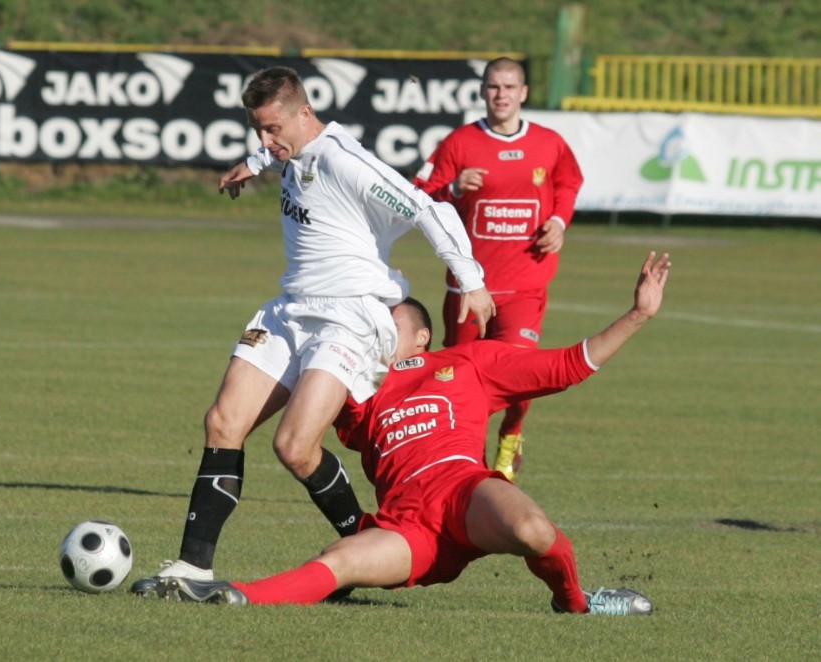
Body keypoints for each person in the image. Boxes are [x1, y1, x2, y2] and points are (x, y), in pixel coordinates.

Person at [131, 66, 494, 595]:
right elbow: (279, 153)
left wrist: (472, 282)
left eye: (273, 129)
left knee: (296, 446)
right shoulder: (288, 149)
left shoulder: (346, 161)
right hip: (291, 310)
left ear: (306, 113)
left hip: (349, 318)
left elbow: (426, 207)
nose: (265, 139)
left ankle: (364, 546)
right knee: (222, 421)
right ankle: (192, 568)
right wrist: (254, 163)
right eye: (257, 129)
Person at [152, 252, 670, 615]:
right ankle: (234, 594)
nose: (371, 326)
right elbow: (299, 422)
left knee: (533, 530)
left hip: (466, 493)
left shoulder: (468, 361)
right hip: (406, 528)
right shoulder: (354, 383)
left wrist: (639, 315)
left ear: (421, 335)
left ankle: (575, 603)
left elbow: (566, 366)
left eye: (386, 319)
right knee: (339, 562)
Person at [414, 56, 584, 481]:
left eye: (509, 87)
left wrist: (560, 221)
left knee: (520, 372)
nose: (501, 95)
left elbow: (569, 181)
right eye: (493, 87)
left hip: (526, 284)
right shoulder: (459, 143)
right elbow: (418, 194)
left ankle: (513, 432)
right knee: (459, 380)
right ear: (482, 91)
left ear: (524, 93)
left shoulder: (548, 143)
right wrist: (451, 189)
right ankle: (467, 464)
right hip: (469, 288)